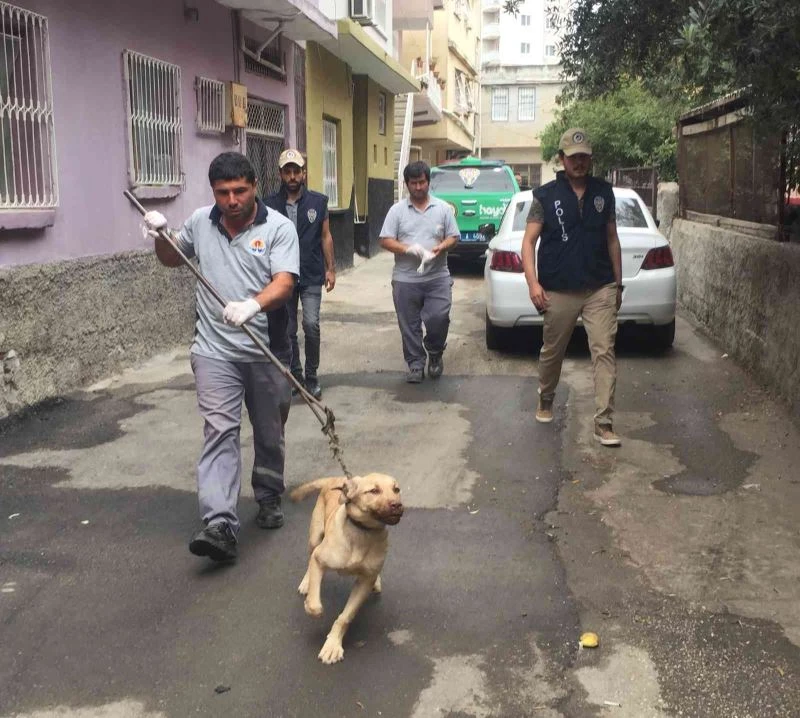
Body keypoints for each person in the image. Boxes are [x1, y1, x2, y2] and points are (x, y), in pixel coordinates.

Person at [142, 152, 299, 562]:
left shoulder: (279, 227)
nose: (231, 200)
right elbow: (172, 259)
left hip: (266, 350)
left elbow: (284, 282)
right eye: (222, 192)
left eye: (240, 191)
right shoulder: (200, 222)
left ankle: (268, 494)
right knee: (220, 431)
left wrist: (253, 304)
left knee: (269, 430)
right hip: (214, 351)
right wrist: (161, 235)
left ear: (254, 187)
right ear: (213, 192)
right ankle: (220, 525)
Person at [520, 128, 624, 446]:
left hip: (599, 286)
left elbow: (612, 239)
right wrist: (533, 284)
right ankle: (546, 397)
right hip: (559, 288)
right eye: (573, 157)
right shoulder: (545, 196)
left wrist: (618, 284)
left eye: (584, 157)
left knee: (604, 351)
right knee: (553, 351)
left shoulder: (603, 193)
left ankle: (604, 422)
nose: (579, 162)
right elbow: (528, 242)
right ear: (562, 159)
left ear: (590, 159)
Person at [379, 161, 460, 383]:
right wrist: (408, 249)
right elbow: (385, 240)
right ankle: (415, 364)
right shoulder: (397, 211)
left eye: (422, 182)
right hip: (406, 278)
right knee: (409, 324)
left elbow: (454, 237)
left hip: (437, 277)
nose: (418, 187)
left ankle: (435, 352)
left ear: (428, 182)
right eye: (413, 183)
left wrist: (442, 246)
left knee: (439, 317)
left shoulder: (442, 209)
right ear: (406, 184)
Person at [264, 149, 335, 400]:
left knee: (311, 324)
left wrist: (331, 268)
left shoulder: (318, 202)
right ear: (280, 174)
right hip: (281, 276)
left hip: (311, 273)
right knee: (287, 329)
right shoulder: (268, 205)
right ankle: (295, 377)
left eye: (297, 171)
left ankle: (312, 376)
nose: (292, 176)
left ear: (304, 173)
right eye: (288, 172)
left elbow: (325, 236)